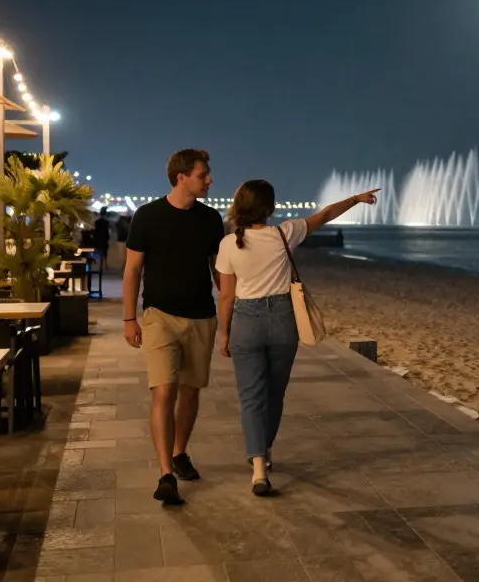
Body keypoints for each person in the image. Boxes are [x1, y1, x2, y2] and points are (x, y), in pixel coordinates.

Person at [215, 180, 378, 496]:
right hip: (282, 320)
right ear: (270, 208)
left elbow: (225, 296)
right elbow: (326, 214)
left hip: (246, 322)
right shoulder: (285, 233)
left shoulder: (228, 244)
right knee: (275, 393)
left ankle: (259, 467)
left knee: (251, 397)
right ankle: (266, 451)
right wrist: (356, 199)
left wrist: (225, 333)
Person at [122, 149, 225, 505]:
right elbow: (132, 269)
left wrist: (230, 310)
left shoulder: (211, 219)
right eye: (203, 174)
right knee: (164, 391)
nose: (209, 179)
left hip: (201, 316)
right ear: (182, 177)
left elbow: (217, 268)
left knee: (191, 390)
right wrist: (128, 318)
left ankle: (180, 453)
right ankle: (166, 474)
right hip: (159, 316)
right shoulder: (148, 216)